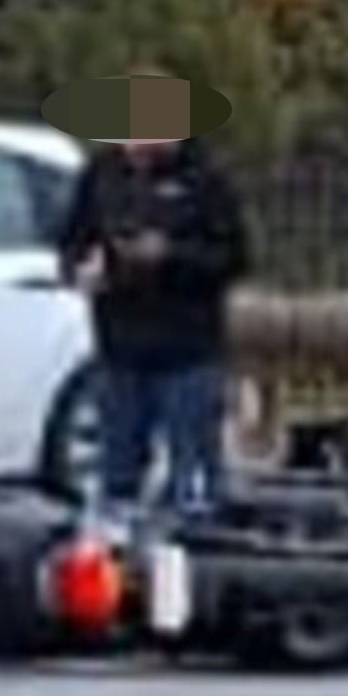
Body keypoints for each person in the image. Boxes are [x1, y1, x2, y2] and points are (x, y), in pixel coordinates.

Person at [55, 69, 251, 527]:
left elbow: (234, 257)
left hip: (187, 351)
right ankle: (117, 555)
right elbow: (72, 240)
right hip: (119, 347)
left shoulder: (206, 180)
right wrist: (80, 269)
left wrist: (171, 256)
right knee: (116, 471)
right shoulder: (100, 174)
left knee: (191, 475)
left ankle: (194, 554)